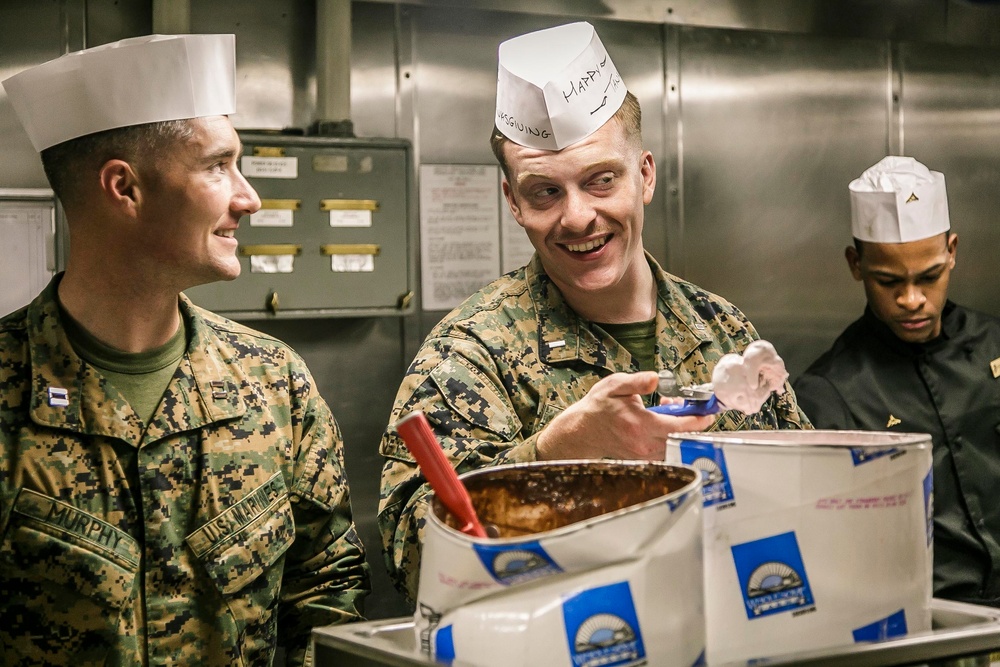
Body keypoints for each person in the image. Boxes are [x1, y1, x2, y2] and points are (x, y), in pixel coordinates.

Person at [378, 22, 810, 604]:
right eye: (544, 192)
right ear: (512, 201)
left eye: (601, 180)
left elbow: (806, 500)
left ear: (646, 175)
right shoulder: (468, 354)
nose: (578, 217)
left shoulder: (721, 329)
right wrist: (552, 457)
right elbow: (414, 558)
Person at [0, 34, 369, 666]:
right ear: (126, 188)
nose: (248, 197)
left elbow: (325, 597)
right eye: (217, 165)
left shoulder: (274, 384)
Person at [794, 155, 1000, 606]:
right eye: (888, 281)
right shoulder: (830, 392)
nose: (912, 300)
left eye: (929, 278)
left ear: (953, 252)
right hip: (928, 623)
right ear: (856, 264)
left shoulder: (994, 346)